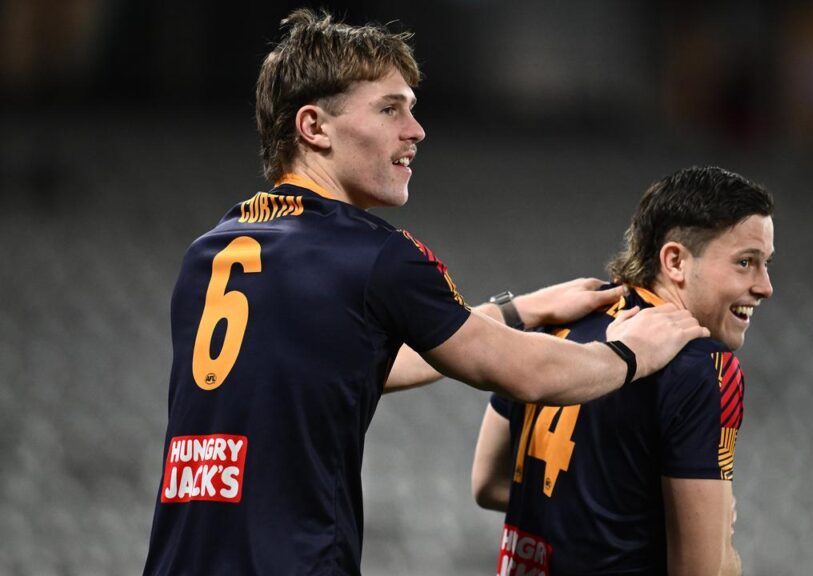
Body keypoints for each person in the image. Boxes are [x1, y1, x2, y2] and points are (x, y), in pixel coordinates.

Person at [142, 9, 707, 576]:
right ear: (314, 127)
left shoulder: (211, 252)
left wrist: (516, 310)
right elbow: (529, 377)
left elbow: (337, 371)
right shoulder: (374, 254)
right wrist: (632, 351)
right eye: (390, 109)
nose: (415, 130)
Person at [471, 166, 775, 576]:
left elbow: (487, 483)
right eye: (745, 263)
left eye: (765, 264)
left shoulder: (558, 316)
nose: (765, 286)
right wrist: (720, 545)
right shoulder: (701, 366)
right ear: (675, 261)